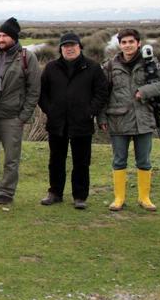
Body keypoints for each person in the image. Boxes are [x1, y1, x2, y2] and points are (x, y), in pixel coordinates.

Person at [99, 29, 160, 211]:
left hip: (144, 119)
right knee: (119, 160)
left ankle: (144, 198)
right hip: (118, 119)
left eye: (131, 41)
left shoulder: (150, 63)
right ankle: (119, 198)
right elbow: (102, 94)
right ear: (120, 44)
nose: (128, 45)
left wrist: (145, 91)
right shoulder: (109, 66)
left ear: (138, 43)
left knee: (144, 161)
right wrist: (101, 117)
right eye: (124, 42)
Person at [38, 33, 109, 209]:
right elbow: (42, 93)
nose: (69, 48)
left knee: (81, 162)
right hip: (57, 123)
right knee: (56, 160)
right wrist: (50, 110)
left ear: (80, 47)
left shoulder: (92, 67)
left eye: (73, 45)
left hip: (82, 123)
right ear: (60, 49)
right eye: (65, 46)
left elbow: (101, 92)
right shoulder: (51, 68)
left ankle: (80, 196)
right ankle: (55, 193)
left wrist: (90, 111)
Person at [0, 17, 41, 205]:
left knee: (11, 158)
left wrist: (24, 116)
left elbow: (34, 89)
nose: (1, 39)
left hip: (12, 118)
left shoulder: (26, 57)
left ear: (14, 37)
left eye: (4, 35)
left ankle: (6, 192)